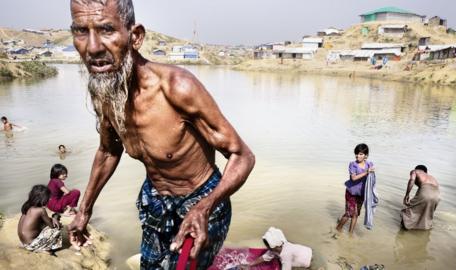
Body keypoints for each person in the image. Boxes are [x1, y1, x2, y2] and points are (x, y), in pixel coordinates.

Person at [68, 0, 255, 269]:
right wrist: (84, 209)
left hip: (202, 200)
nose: (93, 47)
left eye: (106, 29)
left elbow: (242, 155)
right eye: (81, 31)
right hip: (154, 200)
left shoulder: (176, 87)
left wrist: (205, 207)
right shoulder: (106, 90)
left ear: (135, 36)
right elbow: (109, 150)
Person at [336, 143, 374, 234]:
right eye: (356, 153)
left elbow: (372, 179)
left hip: (361, 194)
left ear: (366, 156)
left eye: (360, 154)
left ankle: (350, 233)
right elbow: (353, 178)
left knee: (356, 214)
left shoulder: (369, 164)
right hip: (351, 192)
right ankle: (338, 229)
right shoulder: (353, 165)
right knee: (349, 213)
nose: (357, 156)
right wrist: (366, 172)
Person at [17, 185, 62, 253]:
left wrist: (51, 219)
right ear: (42, 199)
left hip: (23, 242)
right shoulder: (41, 210)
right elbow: (52, 226)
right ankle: (43, 249)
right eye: (48, 198)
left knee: (42, 224)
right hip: (31, 244)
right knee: (56, 229)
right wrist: (55, 218)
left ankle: (31, 246)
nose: (49, 199)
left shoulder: (26, 206)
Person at [246, 227, 312, 270]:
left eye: (268, 246)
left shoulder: (286, 254)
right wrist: (249, 265)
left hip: (307, 261)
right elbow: (264, 257)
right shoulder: (278, 246)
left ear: (276, 246)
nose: (267, 247)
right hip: (306, 251)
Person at [401, 165, 440, 230]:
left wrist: (407, 195)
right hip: (437, 195)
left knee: (409, 208)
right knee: (427, 213)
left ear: (417, 169)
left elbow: (411, 180)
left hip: (426, 191)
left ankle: (405, 229)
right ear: (426, 172)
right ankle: (423, 229)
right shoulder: (431, 177)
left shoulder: (415, 171)